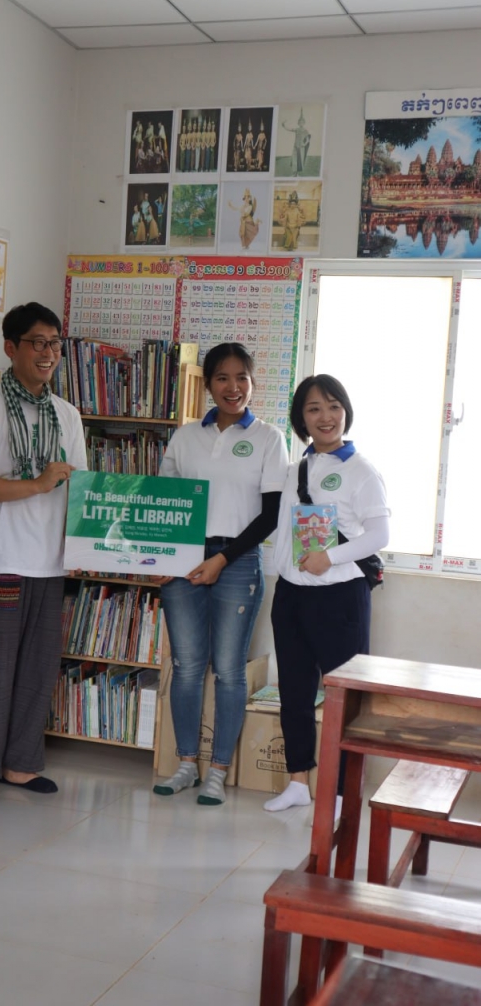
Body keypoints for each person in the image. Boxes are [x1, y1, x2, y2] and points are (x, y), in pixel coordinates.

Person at [0, 302, 86, 804]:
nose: (49, 353)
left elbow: (80, 490)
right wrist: (34, 485)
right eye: (38, 343)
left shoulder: (67, 414)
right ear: (11, 348)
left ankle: (22, 765)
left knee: (37, 669)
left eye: (55, 343)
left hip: (49, 563)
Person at [152, 343, 288, 806]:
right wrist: (157, 557)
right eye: (223, 378)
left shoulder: (270, 438)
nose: (234, 387)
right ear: (208, 383)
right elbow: (163, 503)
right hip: (183, 560)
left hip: (238, 563)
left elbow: (270, 516)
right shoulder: (185, 436)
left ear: (253, 382)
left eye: (242, 377)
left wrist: (223, 559)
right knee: (187, 667)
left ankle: (219, 771)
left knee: (229, 671)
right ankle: (187, 765)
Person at [264, 375, 389, 814]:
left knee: (343, 699)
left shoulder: (361, 470)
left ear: (346, 411)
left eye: (333, 406)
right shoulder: (296, 468)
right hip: (292, 596)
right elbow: (282, 529)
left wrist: (330, 558)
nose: (325, 417)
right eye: (314, 409)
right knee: (294, 693)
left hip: (339, 598)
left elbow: (379, 534)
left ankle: (338, 793)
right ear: (301, 418)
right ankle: (298, 781)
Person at [282, 109, 311, 176]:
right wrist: (284, 126)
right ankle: (294, 173)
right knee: (294, 160)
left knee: (299, 161)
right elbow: (289, 129)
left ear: (304, 123)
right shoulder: (297, 129)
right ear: (298, 123)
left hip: (301, 147)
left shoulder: (305, 131)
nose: (301, 123)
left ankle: (297, 174)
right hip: (295, 146)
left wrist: (304, 144)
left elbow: (307, 140)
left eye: (302, 122)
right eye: (300, 122)